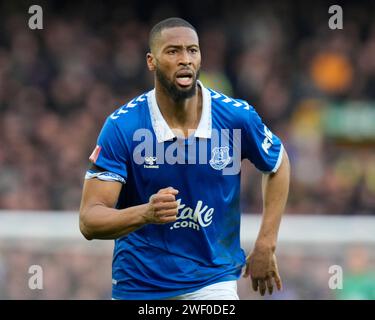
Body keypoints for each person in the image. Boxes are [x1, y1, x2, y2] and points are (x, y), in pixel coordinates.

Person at [79, 17, 290, 300]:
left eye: (192, 50)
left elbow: (277, 163)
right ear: (151, 62)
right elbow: (89, 220)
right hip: (139, 284)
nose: (185, 59)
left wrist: (266, 242)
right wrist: (146, 213)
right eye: (173, 51)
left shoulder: (235, 117)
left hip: (212, 279)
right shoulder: (123, 126)